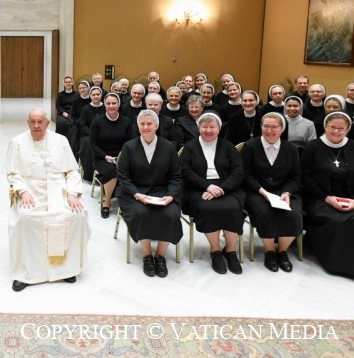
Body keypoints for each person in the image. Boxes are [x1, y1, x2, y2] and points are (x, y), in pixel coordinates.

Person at [5, 109, 89, 291]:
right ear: (28, 123)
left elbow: (72, 170)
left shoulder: (61, 141)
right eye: (32, 122)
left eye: (40, 122)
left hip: (59, 188)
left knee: (77, 215)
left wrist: (72, 193)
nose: (36, 126)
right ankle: (27, 272)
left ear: (47, 123)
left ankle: (66, 269)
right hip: (31, 190)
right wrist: (23, 192)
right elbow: (13, 174)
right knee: (26, 218)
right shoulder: (17, 142)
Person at [301, 111, 354, 283]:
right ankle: (335, 264)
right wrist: (327, 197)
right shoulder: (312, 147)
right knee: (335, 220)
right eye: (332, 127)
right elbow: (306, 178)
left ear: (348, 129)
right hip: (320, 197)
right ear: (325, 126)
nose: (336, 131)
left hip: (353, 198)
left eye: (341, 128)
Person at [117, 110, 183, 277]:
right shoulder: (129, 147)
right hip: (135, 192)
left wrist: (171, 195)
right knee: (141, 213)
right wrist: (136, 194)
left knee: (171, 214)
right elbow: (123, 176)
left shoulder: (168, 147)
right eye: (142, 124)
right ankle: (147, 255)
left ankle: (160, 256)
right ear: (138, 126)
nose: (145, 127)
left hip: (163, 192)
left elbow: (176, 176)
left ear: (156, 126)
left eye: (149, 124)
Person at [179, 112, 245, 274]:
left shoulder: (228, 146)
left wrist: (222, 189)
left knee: (233, 208)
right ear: (199, 128)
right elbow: (185, 171)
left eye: (212, 127)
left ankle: (230, 251)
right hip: (198, 187)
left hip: (227, 187)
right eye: (204, 126)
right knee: (208, 208)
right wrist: (207, 186)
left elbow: (238, 171)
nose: (208, 130)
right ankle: (215, 251)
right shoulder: (190, 147)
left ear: (219, 129)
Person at [241, 113, 303, 273]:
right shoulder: (250, 146)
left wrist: (287, 192)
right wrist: (263, 192)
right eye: (266, 126)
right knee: (265, 213)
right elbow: (245, 175)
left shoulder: (291, 149)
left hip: (284, 191)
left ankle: (282, 251)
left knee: (293, 215)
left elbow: (295, 176)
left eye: (274, 127)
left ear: (282, 129)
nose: (269, 130)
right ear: (261, 127)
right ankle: (269, 251)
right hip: (257, 191)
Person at [90, 93, 134, 218]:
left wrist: (121, 157)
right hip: (102, 157)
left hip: (121, 156)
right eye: (108, 103)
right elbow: (93, 144)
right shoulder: (97, 121)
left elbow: (130, 143)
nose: (111, 106)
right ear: (104, 104)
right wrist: (106, 156)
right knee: (111, 170)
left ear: (119, 104)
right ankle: (107, 201)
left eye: (114, 103)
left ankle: (129, 200)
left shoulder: (126, 121)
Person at [77, 86, 105, 181]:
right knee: (88, 144)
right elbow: (82, 125)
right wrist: (93, 134)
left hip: (103, 135)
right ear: (90, 96)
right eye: (93, 95)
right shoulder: (86, 109)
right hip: (88, 135)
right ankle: (89, 174)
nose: (96, 96)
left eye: (98, 94)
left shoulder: (106, 107)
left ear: (101, 95)